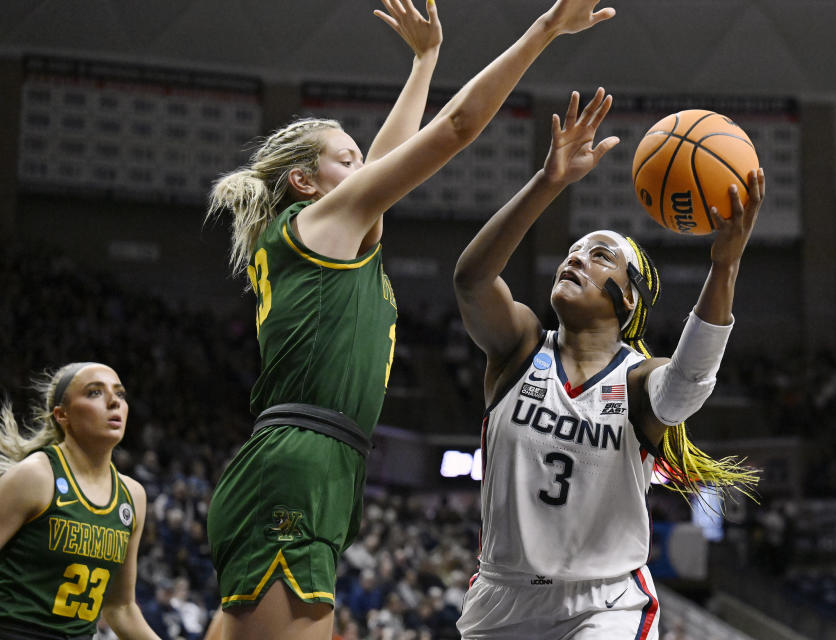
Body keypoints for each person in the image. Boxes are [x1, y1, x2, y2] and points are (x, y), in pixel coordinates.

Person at [202, 0, 617, 638]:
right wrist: (545, 29)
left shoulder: (327, 237)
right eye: (346, 160)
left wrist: (425, 61)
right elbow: (454, 129)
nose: (364, 170)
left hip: (315, 460)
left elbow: (388, 165)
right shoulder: (315, 226)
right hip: (299, 462)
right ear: (305, 182)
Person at [452, 89, 763, 639]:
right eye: (574, 250)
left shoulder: (639, 381)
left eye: (600, 256)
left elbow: (689, 383)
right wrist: (550, 181)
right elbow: (472, 280)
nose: (576, 257)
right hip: (501, 599)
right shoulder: (520, 346)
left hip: (604, 603)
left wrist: (726, 266)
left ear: (628, 300)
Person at [0, 362, 161, 640]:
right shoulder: (36, 476)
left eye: (120, 394)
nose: (114, 402)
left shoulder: (132, 496)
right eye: (95, 393)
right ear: (63, 415)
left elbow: (120, 607)